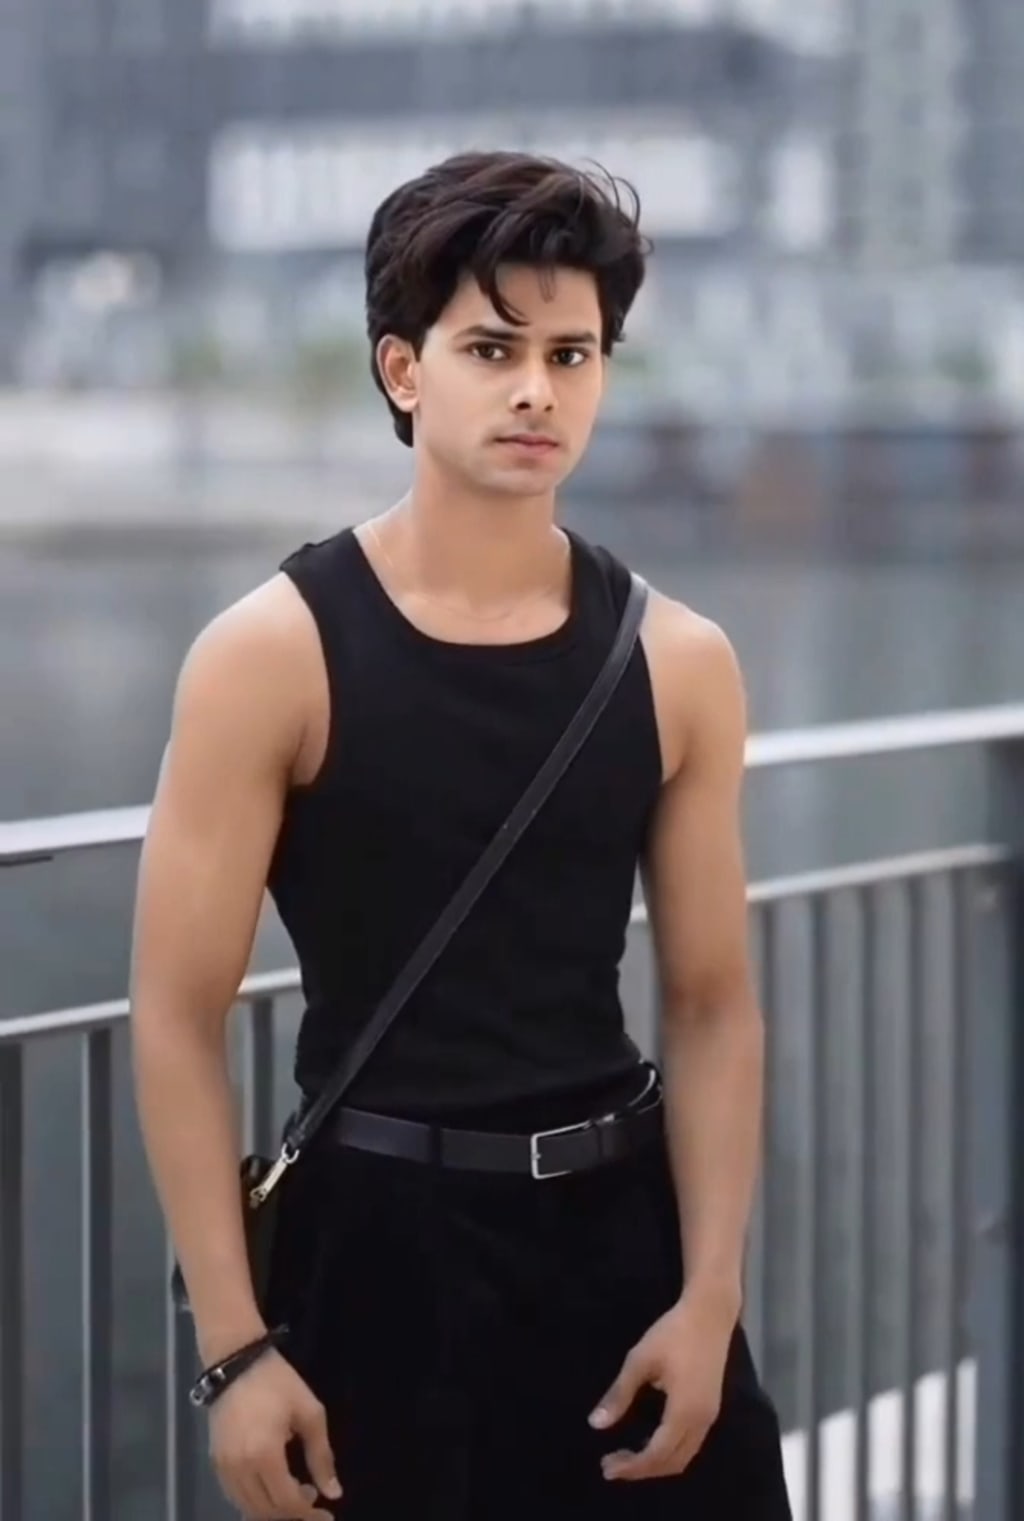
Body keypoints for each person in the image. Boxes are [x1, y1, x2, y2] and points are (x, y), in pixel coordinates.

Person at [130, 150, 793, 1520]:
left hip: (623, 1245)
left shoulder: (678, 661)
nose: (537, 389)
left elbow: (713, 1002)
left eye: (572, 353)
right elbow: (177, 1016)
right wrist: (235, 1350)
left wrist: (710, 1297)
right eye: (492, 349)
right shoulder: (273, 654)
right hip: (378, 1253)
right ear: (403, 370)